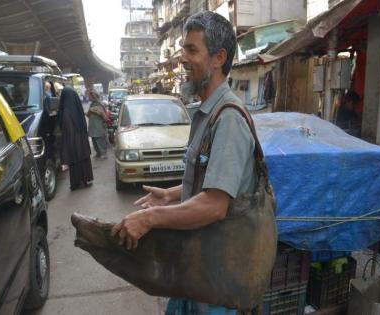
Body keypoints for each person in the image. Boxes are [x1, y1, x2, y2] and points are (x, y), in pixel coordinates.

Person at [112, 11, 257, 315]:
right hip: (195, 266)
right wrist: (174, 193)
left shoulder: (228, 118)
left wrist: (151, 218)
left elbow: (215, 205)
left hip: (216, 279)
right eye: (183, 49)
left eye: (192, 50)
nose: (182, 58)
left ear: (218, 58)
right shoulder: (205, 114)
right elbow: (213, 178)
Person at [58, 86, 93, 190]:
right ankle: (86, 180)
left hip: (72, 142)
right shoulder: (78, 109)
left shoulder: (65, 112)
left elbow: (67, 130)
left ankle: (76, 183)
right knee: (84, 160)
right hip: (81, 141)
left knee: (75, 161)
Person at [86, 89, 107, 159]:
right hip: (93, 126)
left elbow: (104, 116)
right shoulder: (91, 104)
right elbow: (88, 115)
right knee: (94, 140)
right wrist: (89, 112)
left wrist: (98, 112)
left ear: (93, 96)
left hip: (98, 126)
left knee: (100, 140)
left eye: (89, 96)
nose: (88, 97)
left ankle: (103, 153)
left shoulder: (99, 104)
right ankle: (98, 152)